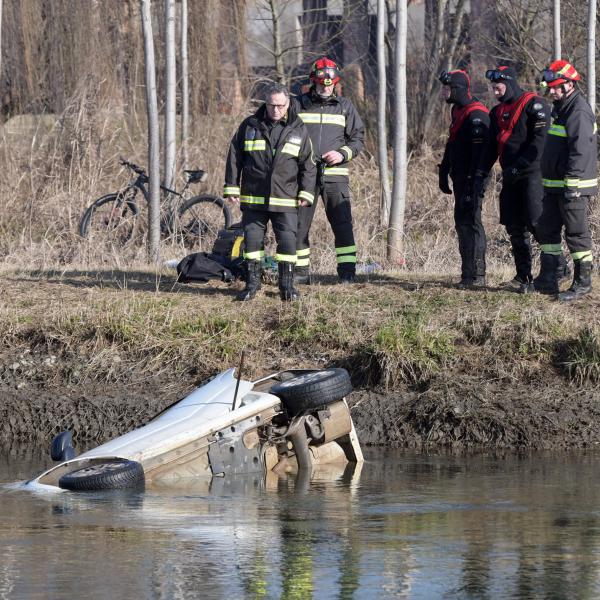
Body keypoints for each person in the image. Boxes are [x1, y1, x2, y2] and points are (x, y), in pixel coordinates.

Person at [223, 83, 316, 301]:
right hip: (254, 198)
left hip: (285, 199)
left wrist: (306, 193)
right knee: (253, 244)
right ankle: (252, 286)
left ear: (288, 104)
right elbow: (234, 157)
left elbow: (309, 165)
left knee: (287, 243)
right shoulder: (249, 126)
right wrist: (231, 186)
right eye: (272, 105)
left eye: (280, 106)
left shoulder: (298, 127)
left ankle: (287, 287)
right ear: (266, 103)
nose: (276, 110)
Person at [474, 66, 550, 293]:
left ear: (510, 83)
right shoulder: (496, 112)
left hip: (532, 173)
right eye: (492, 87)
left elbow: (540, 142)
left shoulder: (534, 104)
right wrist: (481, 175)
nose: (495, 91)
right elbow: (490, 148)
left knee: (536, 222)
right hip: (510, 175)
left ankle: (556, 269)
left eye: (498, 86)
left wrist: (520, 166)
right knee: (514, 226)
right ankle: (523, 276)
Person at [292, 57, 365, 284]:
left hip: (336, 178)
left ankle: (347, 274)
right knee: (298, 226)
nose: (326, 87)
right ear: (313, 81)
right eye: (322, 83)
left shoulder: (345, 106)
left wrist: (342, 154)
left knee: (342, 226)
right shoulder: (297, 105)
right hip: (304, 178)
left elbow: (357, 139)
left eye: (330, 83)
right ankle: (300, 273)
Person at [535, 60, 597, 301]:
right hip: (554, 184)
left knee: (576, 233)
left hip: (573, 186)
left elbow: (580, 151)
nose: (551, 91)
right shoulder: (561, 107)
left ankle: (583, 283)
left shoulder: (578, 111)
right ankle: (548, 278)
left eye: (555, 87)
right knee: (547, 229)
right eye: (549, 86)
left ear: (570, 85)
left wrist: (572, 182)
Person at [438, 69, 490, 288]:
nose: (444, 92)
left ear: (457, 89)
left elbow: (481, 155)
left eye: (447, 88)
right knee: (461, 222)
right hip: (459, 176)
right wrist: (444, 170)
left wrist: (474, 182)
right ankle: (466, 274)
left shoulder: (476, 115)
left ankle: (478, 275)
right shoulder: (457, 111)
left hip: (473, 177)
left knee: (472, 221)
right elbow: (452, 143)